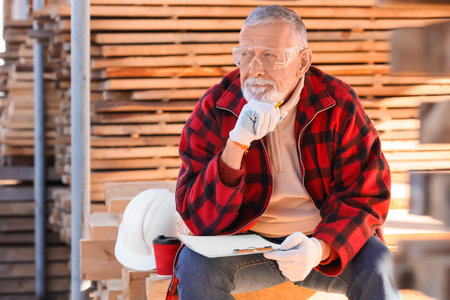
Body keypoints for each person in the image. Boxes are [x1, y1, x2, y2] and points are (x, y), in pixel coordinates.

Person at [169, 5, 401, 300]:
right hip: (246, 247)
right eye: (246, 55)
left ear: (303, 61)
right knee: (194, 267)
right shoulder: (216, 107)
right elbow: (197, 218)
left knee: (380, 263)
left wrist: (319, 248)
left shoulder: (337, 103)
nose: (255, 69)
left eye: (271, 56)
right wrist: (236, 143)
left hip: (320, 241)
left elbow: (366, 197)